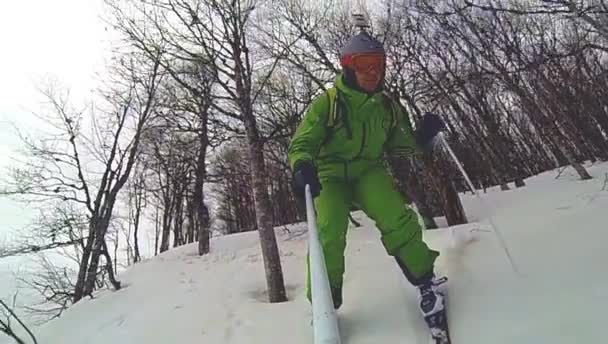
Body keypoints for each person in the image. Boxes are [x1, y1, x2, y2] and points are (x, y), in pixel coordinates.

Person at [287, 31, 447, 321]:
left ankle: (426, 280)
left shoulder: (388, 106)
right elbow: (302, 142)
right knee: (328, 232)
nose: (372, 72)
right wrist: (301, 166)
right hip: (329, 173)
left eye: (378, 64)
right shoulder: (328, 103)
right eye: (364, 64)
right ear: (348, 66)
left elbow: (402, 144)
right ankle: (326, 304)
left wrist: (422, 137)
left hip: (368, 170)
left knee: (396, 217)